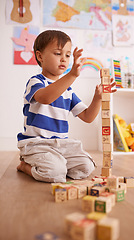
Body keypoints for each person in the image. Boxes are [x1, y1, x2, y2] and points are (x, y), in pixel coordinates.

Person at [17, 30, 116, 183]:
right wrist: (72, 75)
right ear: (40, 56)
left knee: (86, 167)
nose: (64, 59)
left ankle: (58, 164)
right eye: (58, 53)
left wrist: (98, 98)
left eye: (68, 55)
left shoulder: (68, 91)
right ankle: (26, 166)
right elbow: (46, 98)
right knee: (54, 174)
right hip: (37, 144)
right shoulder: (36, 82)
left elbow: (88, 117)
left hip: (62, 145)